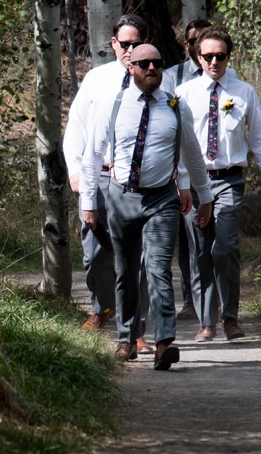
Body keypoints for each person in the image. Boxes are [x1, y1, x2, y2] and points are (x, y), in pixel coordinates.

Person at [81, 43, 214, 369]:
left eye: (156, 63)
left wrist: (205, 196)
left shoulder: (175, 106)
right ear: (131, 67)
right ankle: (126, 339)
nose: (151, 68)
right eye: (144, 64)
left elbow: (193, 155)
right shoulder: (111, 105)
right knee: (125, 272)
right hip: (121, 196)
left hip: (162, 200)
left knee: (158, 270)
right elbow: (93, 156)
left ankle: (165, 342)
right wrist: (88, 202)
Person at [176, 26, 261, 342]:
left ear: (228, 56)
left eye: (220, 56)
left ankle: (230, 318)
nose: (214, 62)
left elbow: (260, 138)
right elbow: (176, 142)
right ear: (198, 56)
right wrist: (180, 183)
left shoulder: (243, 92)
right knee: (201, 249)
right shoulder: (184, 94)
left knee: (225, 247)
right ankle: (206, 322)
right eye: (207, 56)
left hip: (229, 180)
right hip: (194, 181)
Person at [63, 14, 153, 343]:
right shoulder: (97, 80)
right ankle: (103, 308)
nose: (129, 50)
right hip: (98, 176)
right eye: (124, 43)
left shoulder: (156, 78)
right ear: (114, 43)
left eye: (135, 43)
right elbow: (76, 129)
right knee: (95, 254)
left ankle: (136, 328)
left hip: (136, 181)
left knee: (136, 255)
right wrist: (75, 171)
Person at [163, 17, 211, 319]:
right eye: (195, 41)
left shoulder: (221, 72)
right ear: (187, 45)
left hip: (211, 165)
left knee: (207, 239)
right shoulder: (171, 76)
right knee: (184, 239)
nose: (200, 47)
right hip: (178, 168)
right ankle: (190, 302)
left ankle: (208, 297)